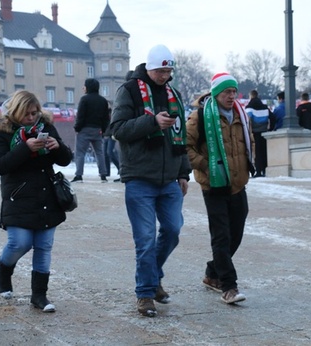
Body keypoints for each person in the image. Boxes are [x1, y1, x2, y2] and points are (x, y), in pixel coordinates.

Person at [110, 44, 191, 317]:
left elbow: (180, 137)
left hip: (169, 178)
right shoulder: (129, 90)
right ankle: (145, 293)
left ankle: (153, 277)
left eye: (169, 71)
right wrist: (152, 122)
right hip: (139, 177)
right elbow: (117, 129)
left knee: (173, 230)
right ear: (149, 67)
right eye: (161, 70)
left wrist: (183, 172)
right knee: (144, 239)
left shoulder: (174, 94)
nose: (165, 76)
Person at [0, 90, 73, 313]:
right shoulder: (1, 131)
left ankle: (39, 295)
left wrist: (57, 146)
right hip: (18, 196)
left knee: (44, 246)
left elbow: (65, 160)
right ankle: (4, 270)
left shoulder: (45, 126)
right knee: (20, 243)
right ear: (16, 112)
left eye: (35, 113)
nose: (32, 117)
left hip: (46, 195)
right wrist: (25, 148)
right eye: (27, 114)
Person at [186, 72, 255, 305]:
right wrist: (206, 165)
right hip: (213, 184)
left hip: (237, 184)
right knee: (221, 236)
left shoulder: (241, 114)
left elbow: (249, 141)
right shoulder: (201, 116)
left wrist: (249, 162)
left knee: (236, 233)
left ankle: (212, 271)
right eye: (227, 92)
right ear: (216, 93)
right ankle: (229, 286)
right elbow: (185, 145)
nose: (232, 96)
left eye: (234, 91)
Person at [72, 78, 109, 183]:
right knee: (99, 153)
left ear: (88, 87)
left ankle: (79, 175)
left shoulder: (84, 99)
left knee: (80, 153)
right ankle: (103, 175)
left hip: (84, 129)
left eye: (84, 86)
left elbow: (80, 116)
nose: (83, 88)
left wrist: (77, 128)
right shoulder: (103, 100)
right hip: (98, 130)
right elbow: (106, 118)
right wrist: (103, 130)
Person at [245, 89, 274, 177]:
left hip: (254, 133)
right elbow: (272, 118)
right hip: (264, 132)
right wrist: (270, 129)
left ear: (250, 96)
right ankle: (265, 170)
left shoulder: (249, 108)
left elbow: (246, 120)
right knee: (264, 151)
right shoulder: (265, 107)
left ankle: (258, 171)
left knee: (257, 152)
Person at [103, 103, 121, 182]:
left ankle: (119, 169)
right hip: (105, 135)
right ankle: (107, 171)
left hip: (111, 135)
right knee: (105, 154)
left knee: (109, 152)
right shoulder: (103, 114)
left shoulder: (113, 113)